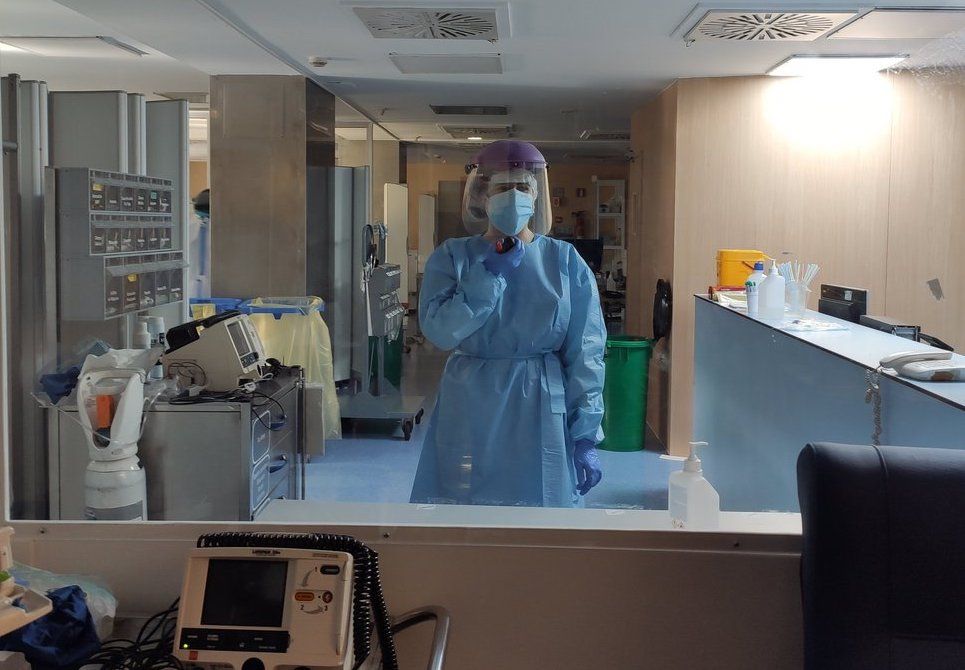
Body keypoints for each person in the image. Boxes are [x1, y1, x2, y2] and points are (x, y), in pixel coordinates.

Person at [410, 140, 606, 507]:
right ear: (482, 196)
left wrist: (586, 436)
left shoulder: (563, 261)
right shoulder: (453, 257)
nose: (514, 197)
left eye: (523, 188)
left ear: (536, 197)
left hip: (540, 397)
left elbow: (587, 351)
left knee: (539, 504)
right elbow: (439, 331)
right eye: (502, 187)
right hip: (470, 394)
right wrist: (488, 278)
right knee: (464, 500)